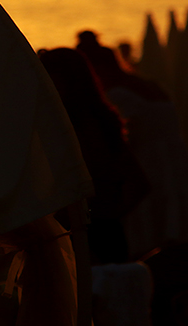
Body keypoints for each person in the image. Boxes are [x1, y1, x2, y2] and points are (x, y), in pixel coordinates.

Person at [75, 31, 188, 258]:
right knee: (176, 228)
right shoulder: (152, 86)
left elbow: (123, 139)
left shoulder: (117, 96)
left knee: (149, 228)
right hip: (177, 162)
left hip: (148, 164)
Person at [37, 48, 149, 264]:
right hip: (100, 232)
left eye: (49, 78)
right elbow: (139, 183)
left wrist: (96, 217)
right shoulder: (96, 119)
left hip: (91, 236)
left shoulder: (82, 126)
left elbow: (137, 183)